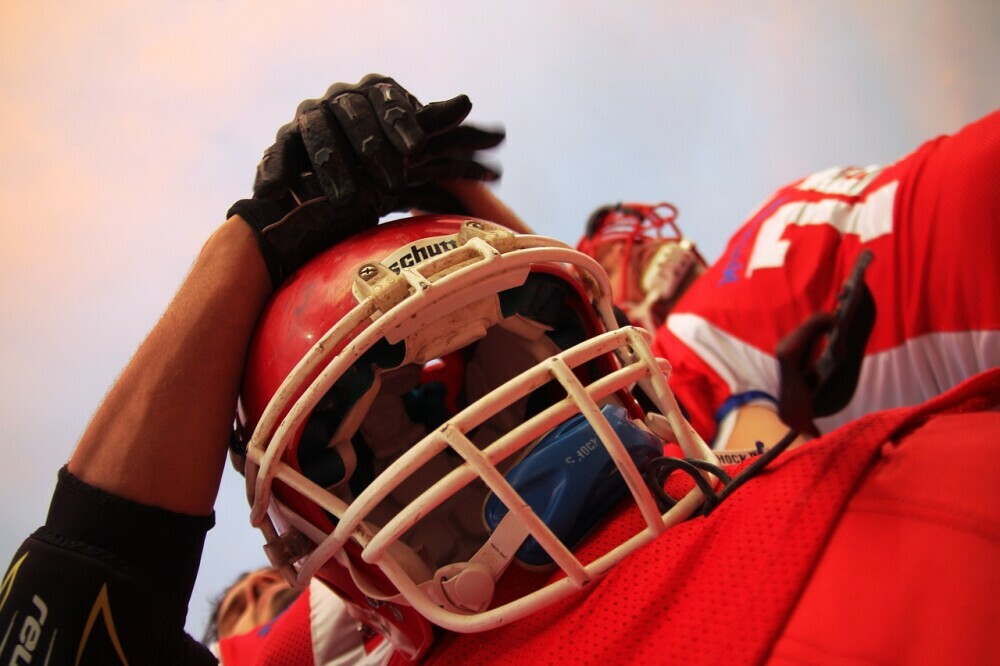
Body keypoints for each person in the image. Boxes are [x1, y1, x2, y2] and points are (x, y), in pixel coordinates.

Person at [2, 74, 998, 666]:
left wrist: (450, 202)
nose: (495, 408)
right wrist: (248, 250)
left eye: (515, 331)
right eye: (409, 399)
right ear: (306, 542)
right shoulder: (329, 630)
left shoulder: (720, 347)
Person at [578, 110, 1000, 451]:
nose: (637, 248)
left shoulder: (688, 336)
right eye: (613, 264)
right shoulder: (685, 346)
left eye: (634, 244)